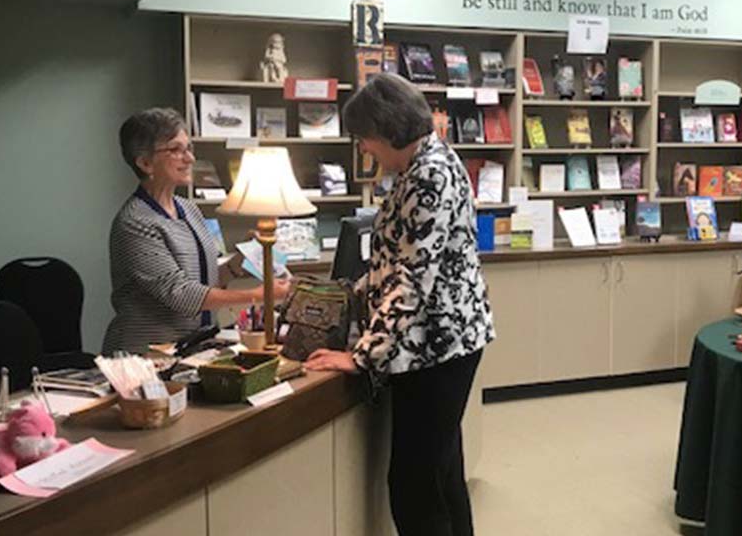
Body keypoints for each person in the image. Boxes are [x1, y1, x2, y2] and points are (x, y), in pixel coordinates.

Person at [303, 74, 495, 536]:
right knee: (442, 472)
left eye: (365, 139)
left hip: (436, 347)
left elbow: (412, 280)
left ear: (388, 130)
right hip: (444, 340)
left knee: (414, 486)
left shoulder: (427, 176)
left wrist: (361, 356)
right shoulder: (426, 163)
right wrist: (353, 292)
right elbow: (400, 260)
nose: (365, 149)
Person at [102, 108, 287, 354]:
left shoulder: (189, 209)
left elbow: (202, 280)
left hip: (192, 349)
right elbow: (181, 293)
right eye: (175, 150)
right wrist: (260, 294)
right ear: (145, 163)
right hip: (146, 358)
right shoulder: (135, 222)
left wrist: (236, 264)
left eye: (189, 148)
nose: (189, 158)